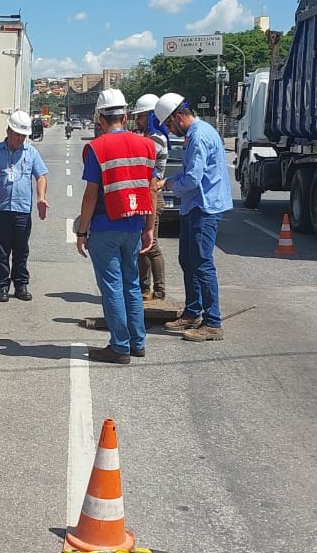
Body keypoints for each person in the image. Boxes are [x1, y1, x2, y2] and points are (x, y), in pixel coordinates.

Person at [75, 88, 157, 365]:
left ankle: (119, 346)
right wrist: (149, 227)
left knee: (112, 287)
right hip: (134, 224)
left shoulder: (97, 148)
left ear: (100, 117)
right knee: (132, 285)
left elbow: (90, 194)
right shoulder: (147, 145)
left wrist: (82, 231)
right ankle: (138, 342)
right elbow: (151, 190)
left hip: (105, 225)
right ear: (124, 115)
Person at [154, 92, 234, 342]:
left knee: (201, 263)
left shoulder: (198, 136)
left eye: (169, 124)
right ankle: (192, 311)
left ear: (179, 117)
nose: (170, 130)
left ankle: (213, 322)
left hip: (205, 207)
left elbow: (192, 178)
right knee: (187, 260)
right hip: (194, 205)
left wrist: (167, 183)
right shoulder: (195, 134)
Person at [0, 110, 49, 302]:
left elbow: (41, 176)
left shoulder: (31, 152)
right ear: (8, 131)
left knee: (21, 250)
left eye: (23, 136)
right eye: (17, 134)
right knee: (2, 251)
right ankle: (2, 286)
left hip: (22, 209)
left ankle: (21, 285)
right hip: (0, 209)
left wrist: (40, 198)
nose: (20, 139)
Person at [130, 93, 167, 303]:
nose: (138, 121)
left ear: (152, 116)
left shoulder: (155, 140)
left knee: (151, 246)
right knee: (141, 247)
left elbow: (141, 162)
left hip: (152, 196)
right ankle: (145, 289)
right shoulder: (148, 138)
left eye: (142, 117)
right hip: (143, 196)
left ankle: (159, 291)